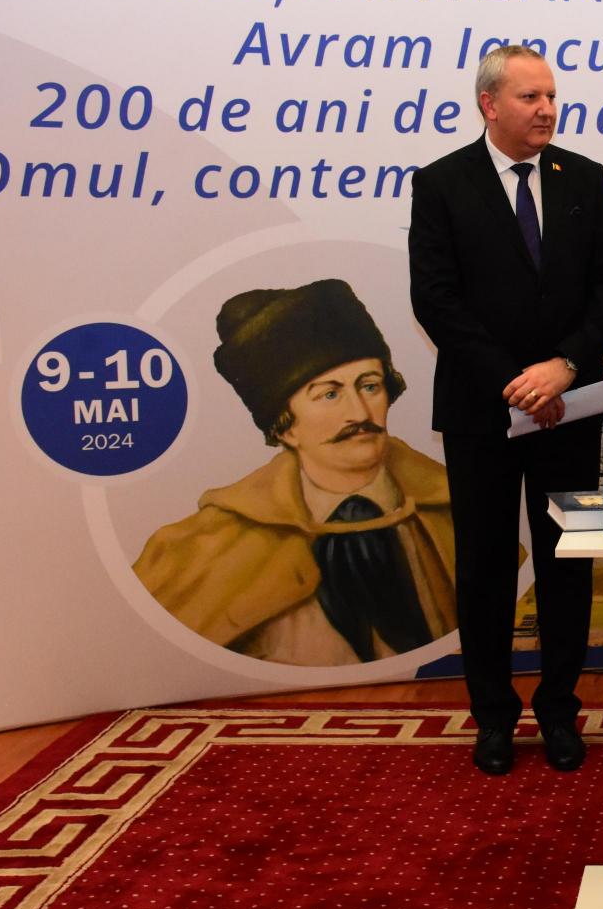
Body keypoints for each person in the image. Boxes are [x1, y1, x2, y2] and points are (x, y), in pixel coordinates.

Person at [408, 45, 603, 775]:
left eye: (551, 96)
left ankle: (561, 710)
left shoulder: (583, 178)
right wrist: (513, 380)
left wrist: (563, 365)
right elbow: (435, 299)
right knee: (485, 566)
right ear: (490, 104)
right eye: (530, 97)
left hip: (570, 407)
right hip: (482, 412)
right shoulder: (442, 183)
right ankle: (494, 717)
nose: (546, 110)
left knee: (567, 563)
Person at [135, 278, 456, 667]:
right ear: (285, 426)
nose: (359, 412)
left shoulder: (457, 507)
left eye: (370, 386)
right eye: (329, 394)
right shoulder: (206, 545)